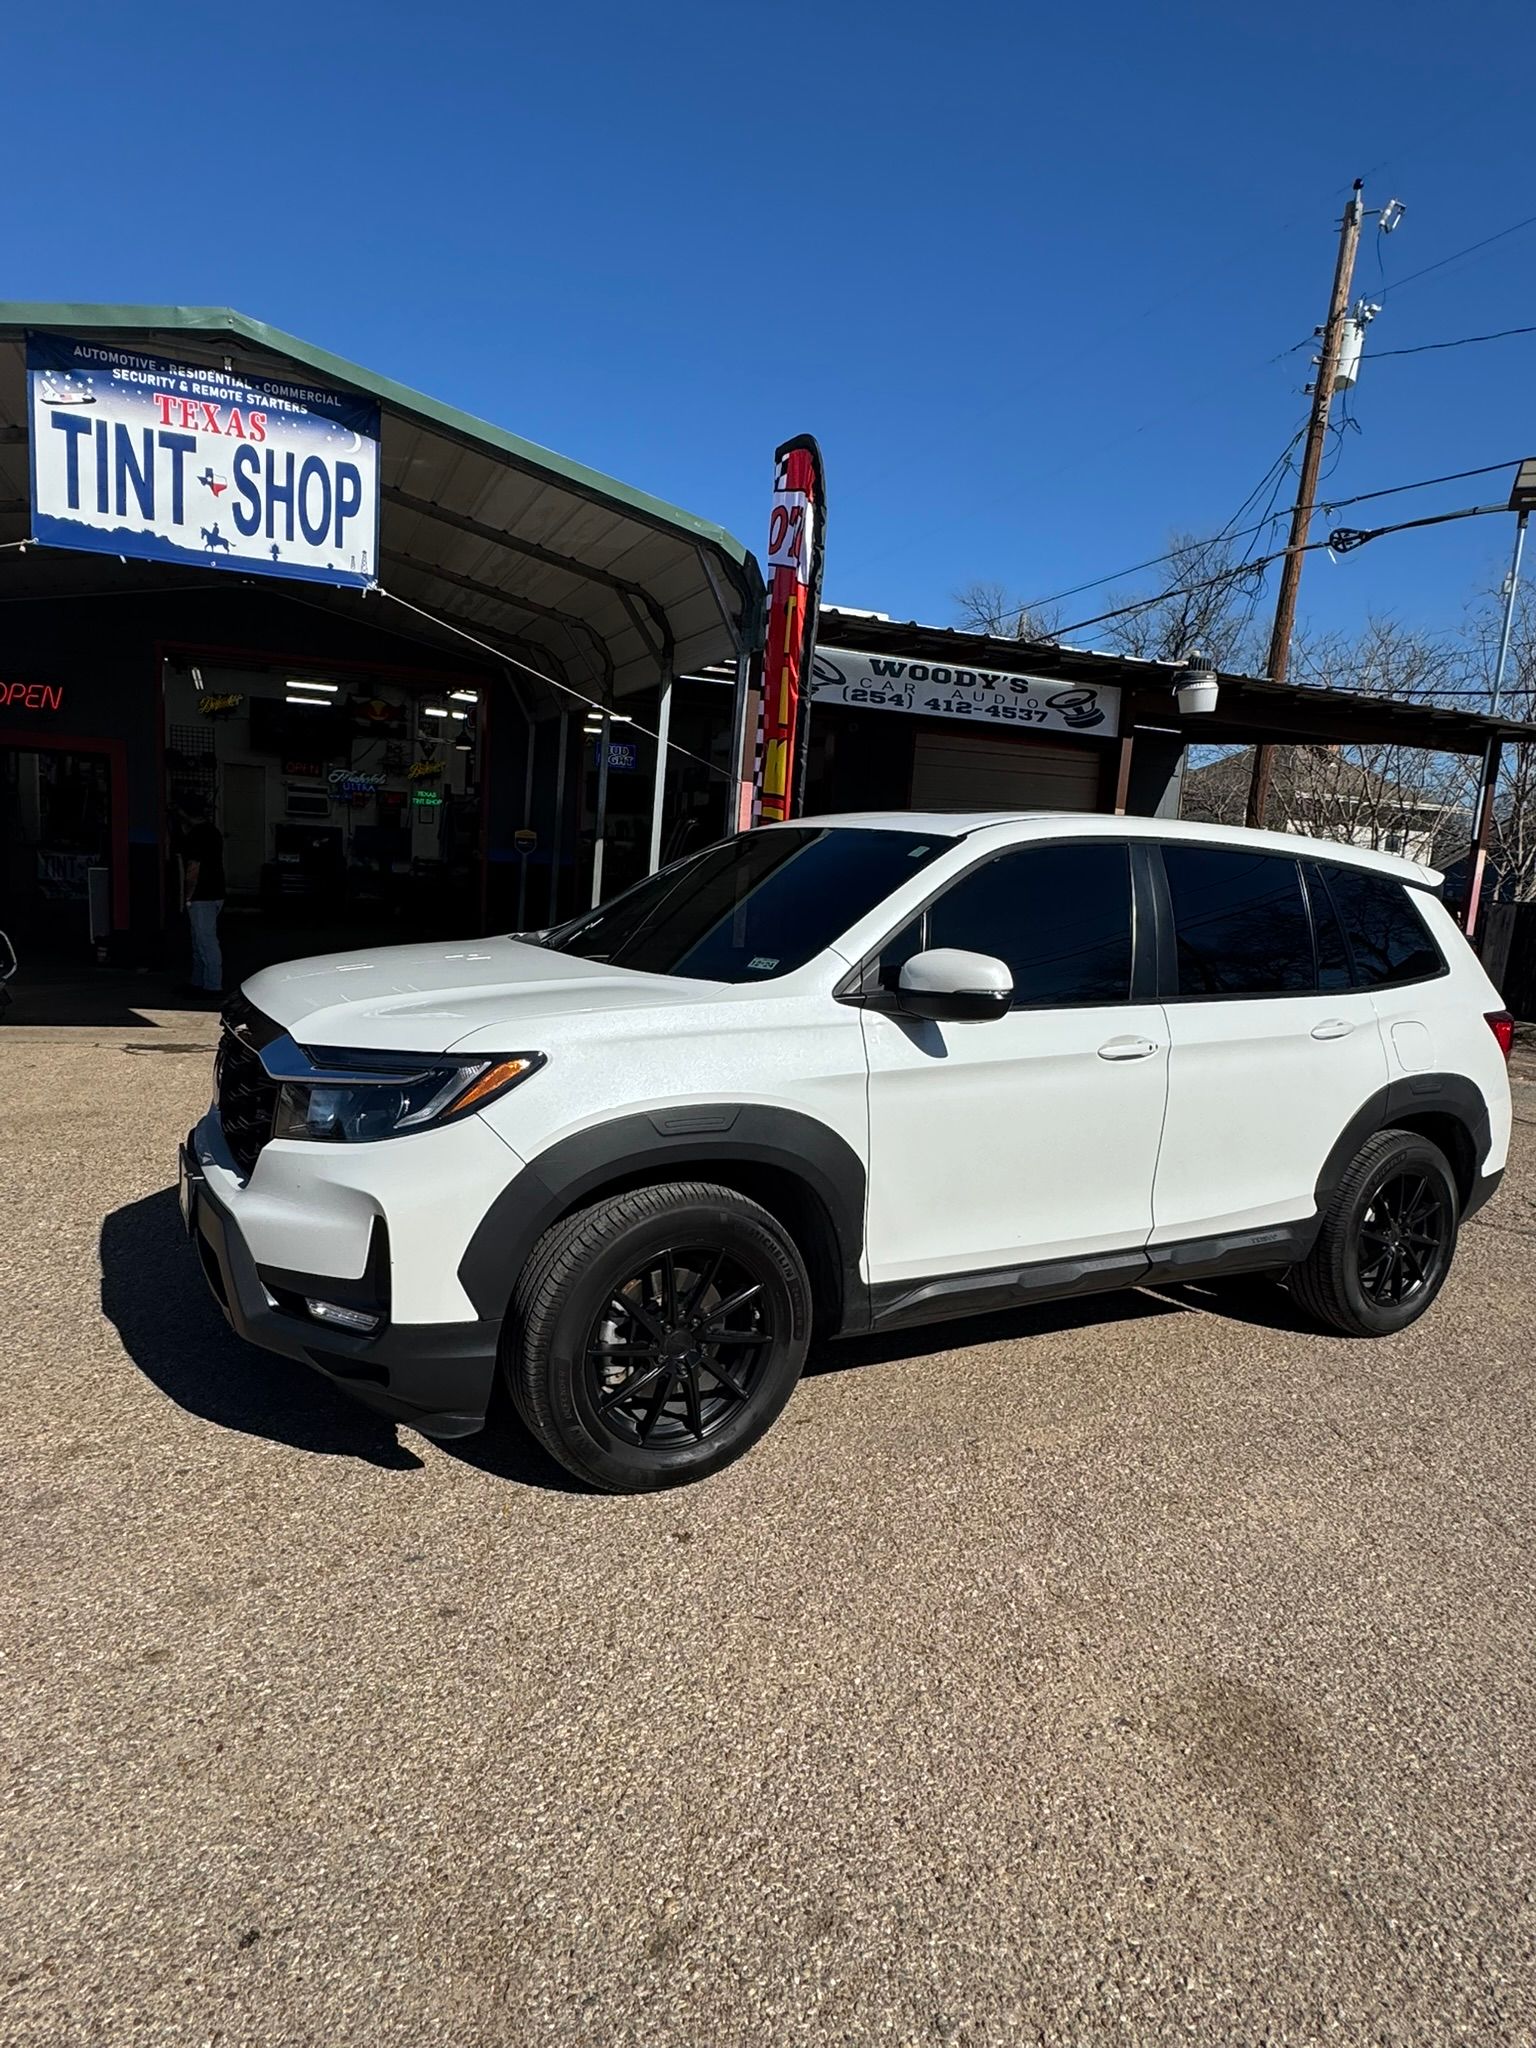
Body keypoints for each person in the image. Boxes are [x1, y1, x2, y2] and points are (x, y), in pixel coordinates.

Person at [175, 795, 226, 999]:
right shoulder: (212, 832)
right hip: (214, 892)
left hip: (202, 895)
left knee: (204, 942)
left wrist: (187, 895)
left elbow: (193, 869)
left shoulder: (196, 836)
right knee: (201, 941)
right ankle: (200, 982)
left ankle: (213, 986)